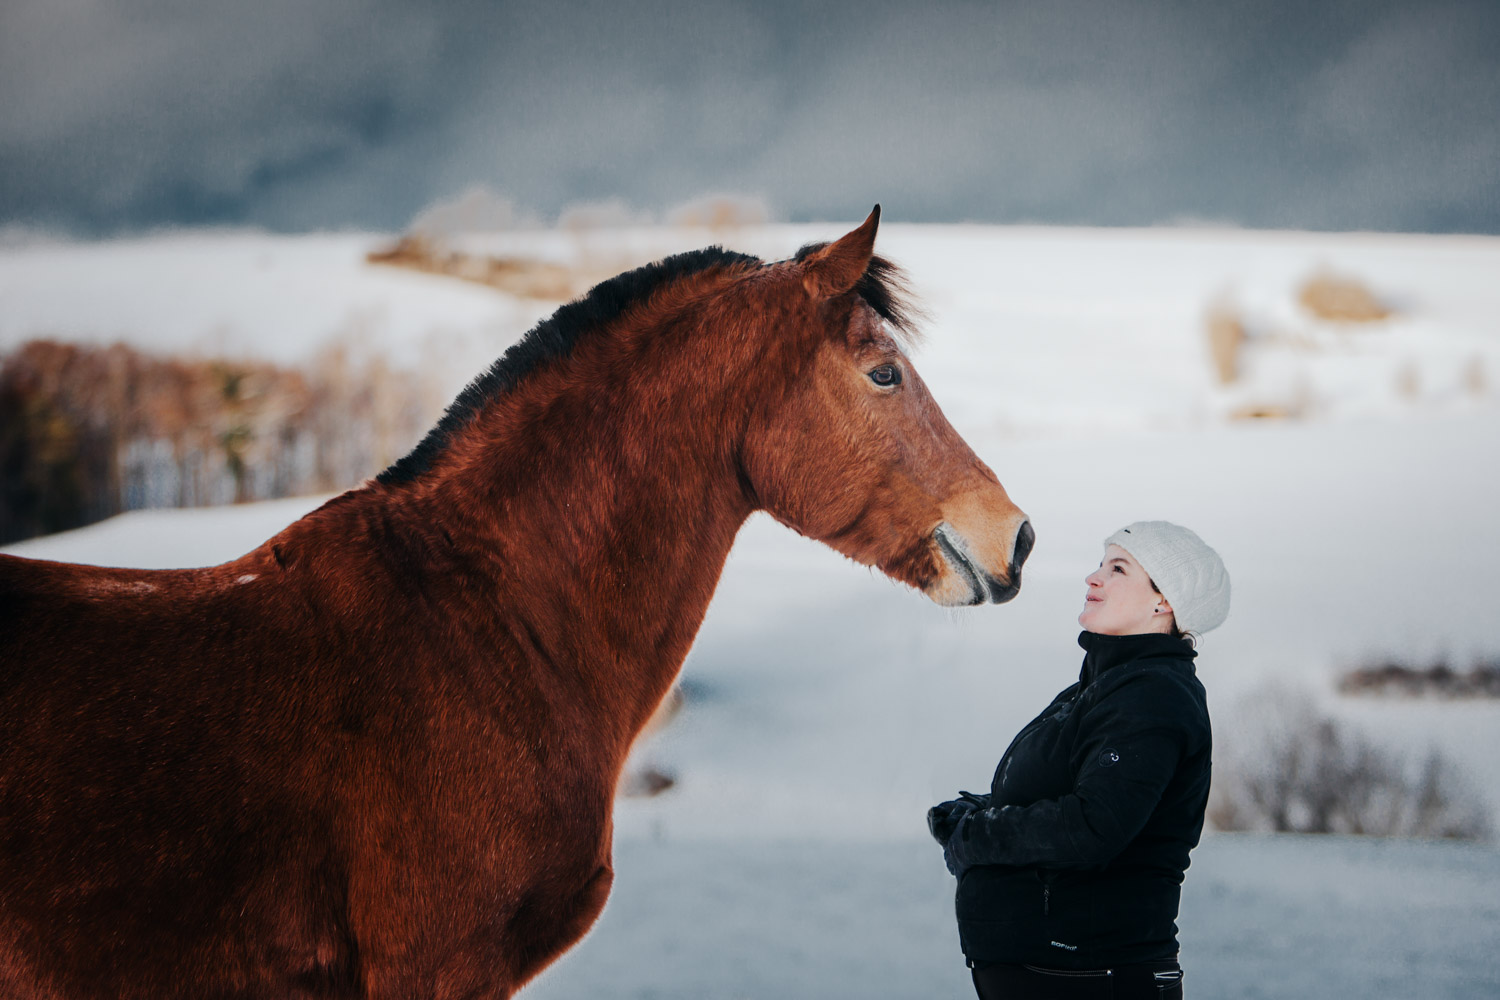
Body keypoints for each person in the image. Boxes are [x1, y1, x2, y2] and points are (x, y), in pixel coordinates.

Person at [929, 521, 1230, 1000]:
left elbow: (1093, 826)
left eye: (1118, 569)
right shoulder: (1104, 688)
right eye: (1099, 564)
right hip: (1058, 976)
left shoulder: (1153, 696)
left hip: (1095, 978)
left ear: (1164, 601)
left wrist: (977, 837)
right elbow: (1065, 795)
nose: (1093, 578)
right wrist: (976, 812)